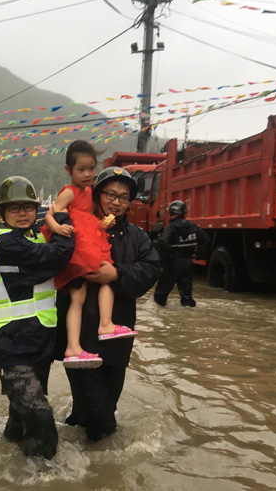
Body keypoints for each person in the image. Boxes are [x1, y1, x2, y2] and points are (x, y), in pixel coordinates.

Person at [55, 167, 161, 442]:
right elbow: (49, 257)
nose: (116, 202)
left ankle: (81, 450)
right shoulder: (75, 226)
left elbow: (151, 269)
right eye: (110, 194)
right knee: (103, 420)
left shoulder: (138, 236)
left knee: (104, 402)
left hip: (118, 335)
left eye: (124, 197)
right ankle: (99, 467)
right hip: (81, 338)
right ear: (96, 195)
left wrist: (117, 274)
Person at [0, 176, 74, 459]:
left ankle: (6, 459)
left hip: (39, 342)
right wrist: (59, 216)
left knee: (20, 414)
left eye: (27, 207)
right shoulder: (6, 243)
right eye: (14, 208)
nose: (22, 213)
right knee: (39, 415)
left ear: (35, 210)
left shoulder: (35, 235)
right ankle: (42, 477)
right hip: (11, 347)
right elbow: (61, 254)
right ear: (3, 213)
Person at [44, 140, 135, 370]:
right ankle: (73, 346)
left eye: (91, 169)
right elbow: (49, 215)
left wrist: (101, 226)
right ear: (68, 170)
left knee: (106, 277)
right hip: (77, 248)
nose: (87, 174)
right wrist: (57, 229)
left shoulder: (87, 193)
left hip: (90, 241)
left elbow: (86, 218)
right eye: (81, 169)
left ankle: (105, 324)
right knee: (78, 298)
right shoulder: (69, 192)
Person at [153, 200, 211, 307]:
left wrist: (163, 258)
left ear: (171, 213)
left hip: (173, 262)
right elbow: (206, 240)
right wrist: (197, 254)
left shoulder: (171, 227)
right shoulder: (193, 227)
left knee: (160, 295)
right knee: (187, 297)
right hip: (188, 263)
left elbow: (162, 242)